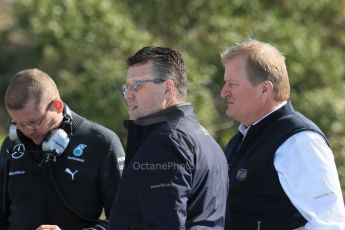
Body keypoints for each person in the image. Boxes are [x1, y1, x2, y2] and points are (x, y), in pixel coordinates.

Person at [220, 39, 345, 229]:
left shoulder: (299, 142)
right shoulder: (240, 140)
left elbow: (329, 224)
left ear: (264, 88)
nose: (224, 92)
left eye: (232, 84)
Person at [108, 46, 228, 229]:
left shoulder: (167, 141)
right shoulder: (204, 138)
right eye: (127, 87)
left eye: (136, 86)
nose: (127, 95)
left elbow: (164, 224)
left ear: (167, 88)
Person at [0, 68, 125, 230]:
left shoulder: (102, 143)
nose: (26, 131)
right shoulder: (11, 145)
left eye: (34, 123)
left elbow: (127, 220)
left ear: (57, 106)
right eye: (18, 123)